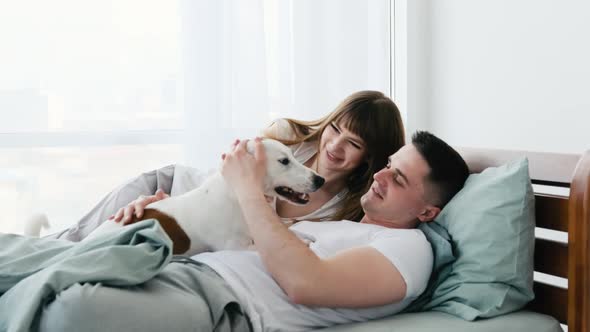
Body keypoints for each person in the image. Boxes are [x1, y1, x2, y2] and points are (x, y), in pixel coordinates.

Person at [38, 131, 470, 332]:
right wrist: (159, 212)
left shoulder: (410, 249)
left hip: (224, 302)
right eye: (390, 165)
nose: (381, 176)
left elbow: (305, 283)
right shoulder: (338, 224)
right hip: (180, 264)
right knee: (31, 265)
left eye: (399, 179)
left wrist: (247, 189)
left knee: (67, 312)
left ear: (429, 211)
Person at [48, 90, 405, 241]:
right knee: (72, 242)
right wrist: (159, 201)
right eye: (336, 129)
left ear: (370, 158)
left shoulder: (345, 208)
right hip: (168, 191)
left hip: (201, 236)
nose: (335, 146)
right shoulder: (288, 138)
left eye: (353, 144)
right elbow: (229, 182)